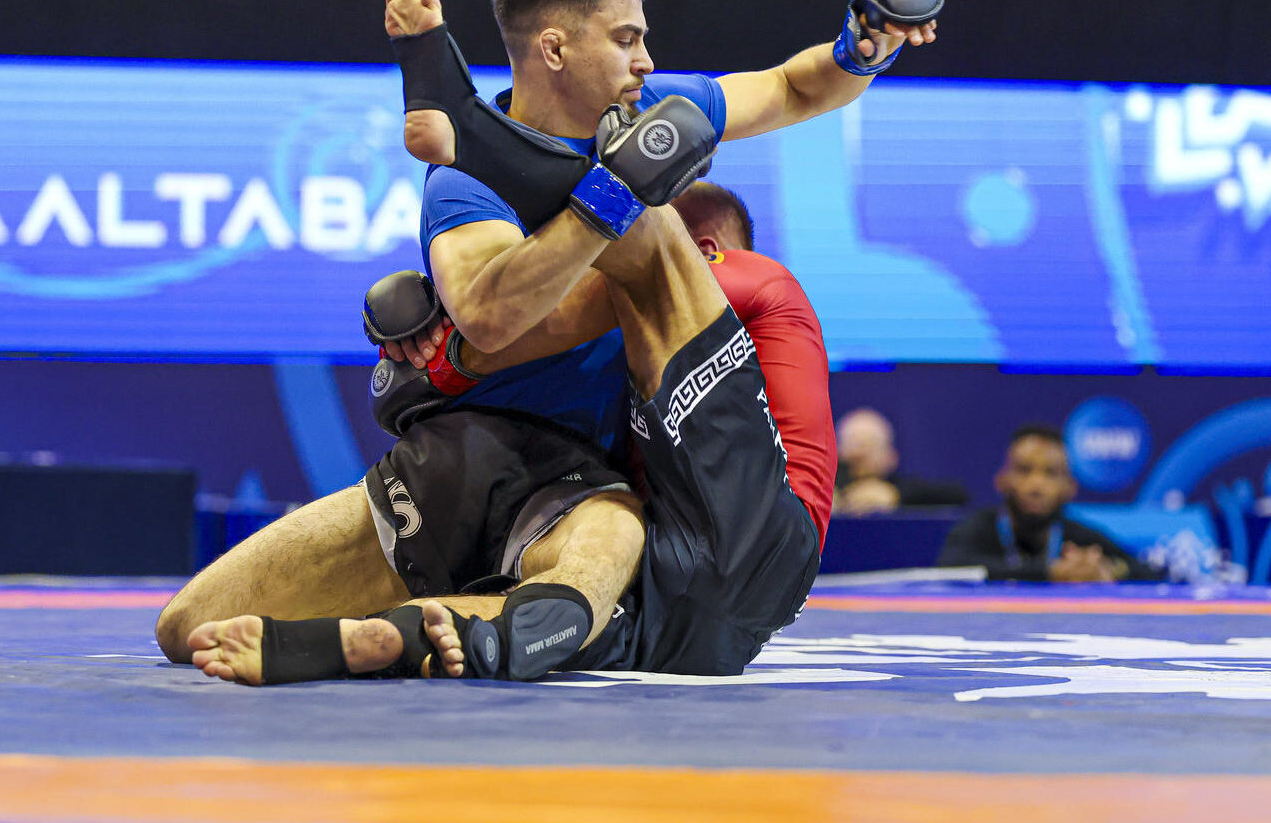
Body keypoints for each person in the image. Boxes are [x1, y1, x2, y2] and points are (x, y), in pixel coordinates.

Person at [156, 0, 934, 678]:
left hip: (580, 483)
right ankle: (478, 125)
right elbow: (491, 316)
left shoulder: (649, 108)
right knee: (187, 624)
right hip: (472, 459)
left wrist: (861, 52)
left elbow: (796, 87)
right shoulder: (459, 187)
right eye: (626, 40)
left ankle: (465, 118)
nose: (646, 60)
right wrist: (610, 198)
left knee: (588, 567)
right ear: (555, 49)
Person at [189, 180, 840, 682]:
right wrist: (425, 332)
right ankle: (382, 639)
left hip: (763, 536)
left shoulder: (748, 276)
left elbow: (572, 298)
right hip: (691, 618)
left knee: (644, 224)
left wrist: (445, 352)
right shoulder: (637, 378)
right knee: (554, 615)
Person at [935, 425, 1157, 582]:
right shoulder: (977, 529)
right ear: (1002, 479)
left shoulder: (1080, 538)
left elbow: (1146, 570)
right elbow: (952, 567)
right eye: (1024, 470)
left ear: (1070, 487)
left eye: (1051, 473)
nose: (1036, 485)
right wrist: (1049, 573)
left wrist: (1109, 570)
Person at [831, 407, 967, 515]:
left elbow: (958, 495)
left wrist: (894, 495)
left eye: (869, 445)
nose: (859, 453)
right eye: (851, 444)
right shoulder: (828, 488)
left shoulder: (901, 488)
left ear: (891, 456)